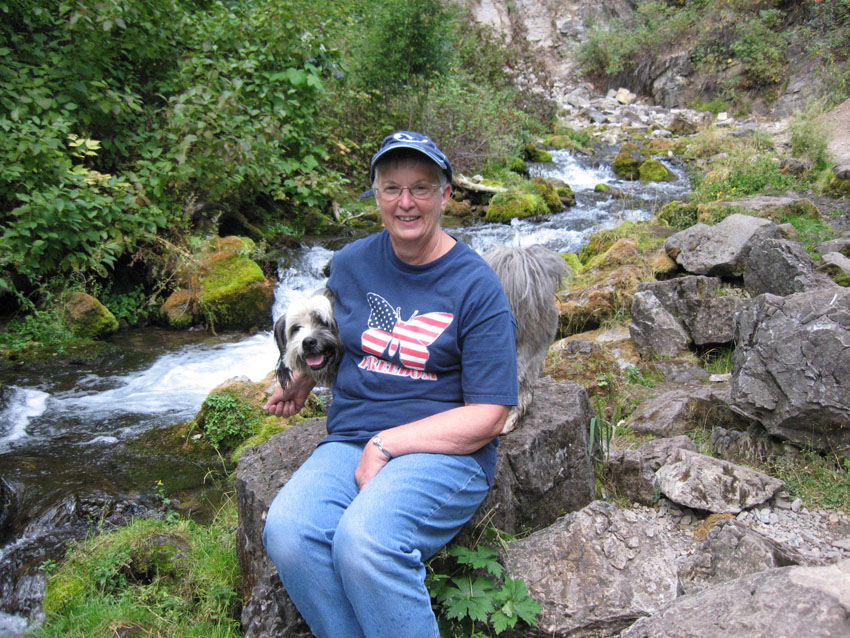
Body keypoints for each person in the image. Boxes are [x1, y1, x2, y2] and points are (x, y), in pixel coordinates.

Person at [262, 130, 518, 638]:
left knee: (366, 541)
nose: (406, 202)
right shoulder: (353, 263)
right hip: (350, 438)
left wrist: (387, 443)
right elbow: (334, 335)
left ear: (446, 195)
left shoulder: (476, 285)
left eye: (421, 188)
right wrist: (304, 381)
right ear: (375, 196)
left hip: (445, 452)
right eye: (392, 188)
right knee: (289, 531)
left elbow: (490, 414)